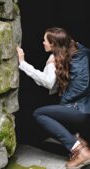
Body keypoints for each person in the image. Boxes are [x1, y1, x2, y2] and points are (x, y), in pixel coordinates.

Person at [17, 27, 90, 169]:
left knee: (40, 114)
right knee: (58, 110)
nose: (43, 43)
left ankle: (81, 151)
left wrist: (23, 63)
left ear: (54, 44)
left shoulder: (56, 58)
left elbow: (48, 82)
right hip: (86, 109)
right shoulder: (81, 52)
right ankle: (81, 140)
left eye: (45, 40)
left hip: (80, 110)